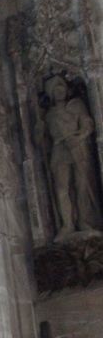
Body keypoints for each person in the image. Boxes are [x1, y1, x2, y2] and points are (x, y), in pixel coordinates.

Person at [43, 76, 102, 235]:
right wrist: (38, 133)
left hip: (78, 147)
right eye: (56, 89)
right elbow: (44, 140)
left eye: (61, 87)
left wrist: (79, 136)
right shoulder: (49, 114)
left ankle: (84, 220)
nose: (60, 91)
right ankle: (67, 224)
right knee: (62, 188)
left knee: (81, 185)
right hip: (59, 150)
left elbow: (87, 123)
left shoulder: (76, 105)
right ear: (51, 94)